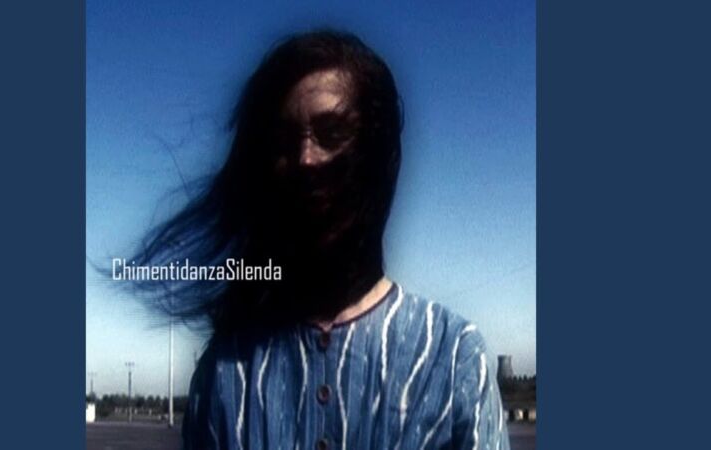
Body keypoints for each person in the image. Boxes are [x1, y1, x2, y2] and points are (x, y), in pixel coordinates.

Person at [132, 30, 510, 450]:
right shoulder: (225, 369)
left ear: (378, 154)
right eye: (284, 141)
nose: (306, 158)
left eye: (331, 133)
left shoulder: (453, 358)